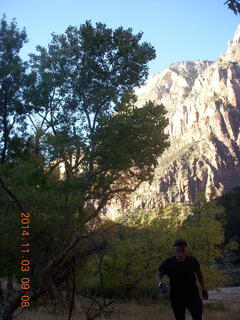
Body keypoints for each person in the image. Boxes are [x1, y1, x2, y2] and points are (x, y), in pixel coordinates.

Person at [155, 239, 209, 320]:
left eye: (183, 247)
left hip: (193, 296)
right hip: (176, 297)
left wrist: (204, 289)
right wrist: (160, 285)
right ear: (174, 249)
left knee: (197, 317)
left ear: (186, 249)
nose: (180, 249)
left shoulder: (192, 260)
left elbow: (200, 274)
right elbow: (157, 275)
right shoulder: (168, 262)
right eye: (178, 247)